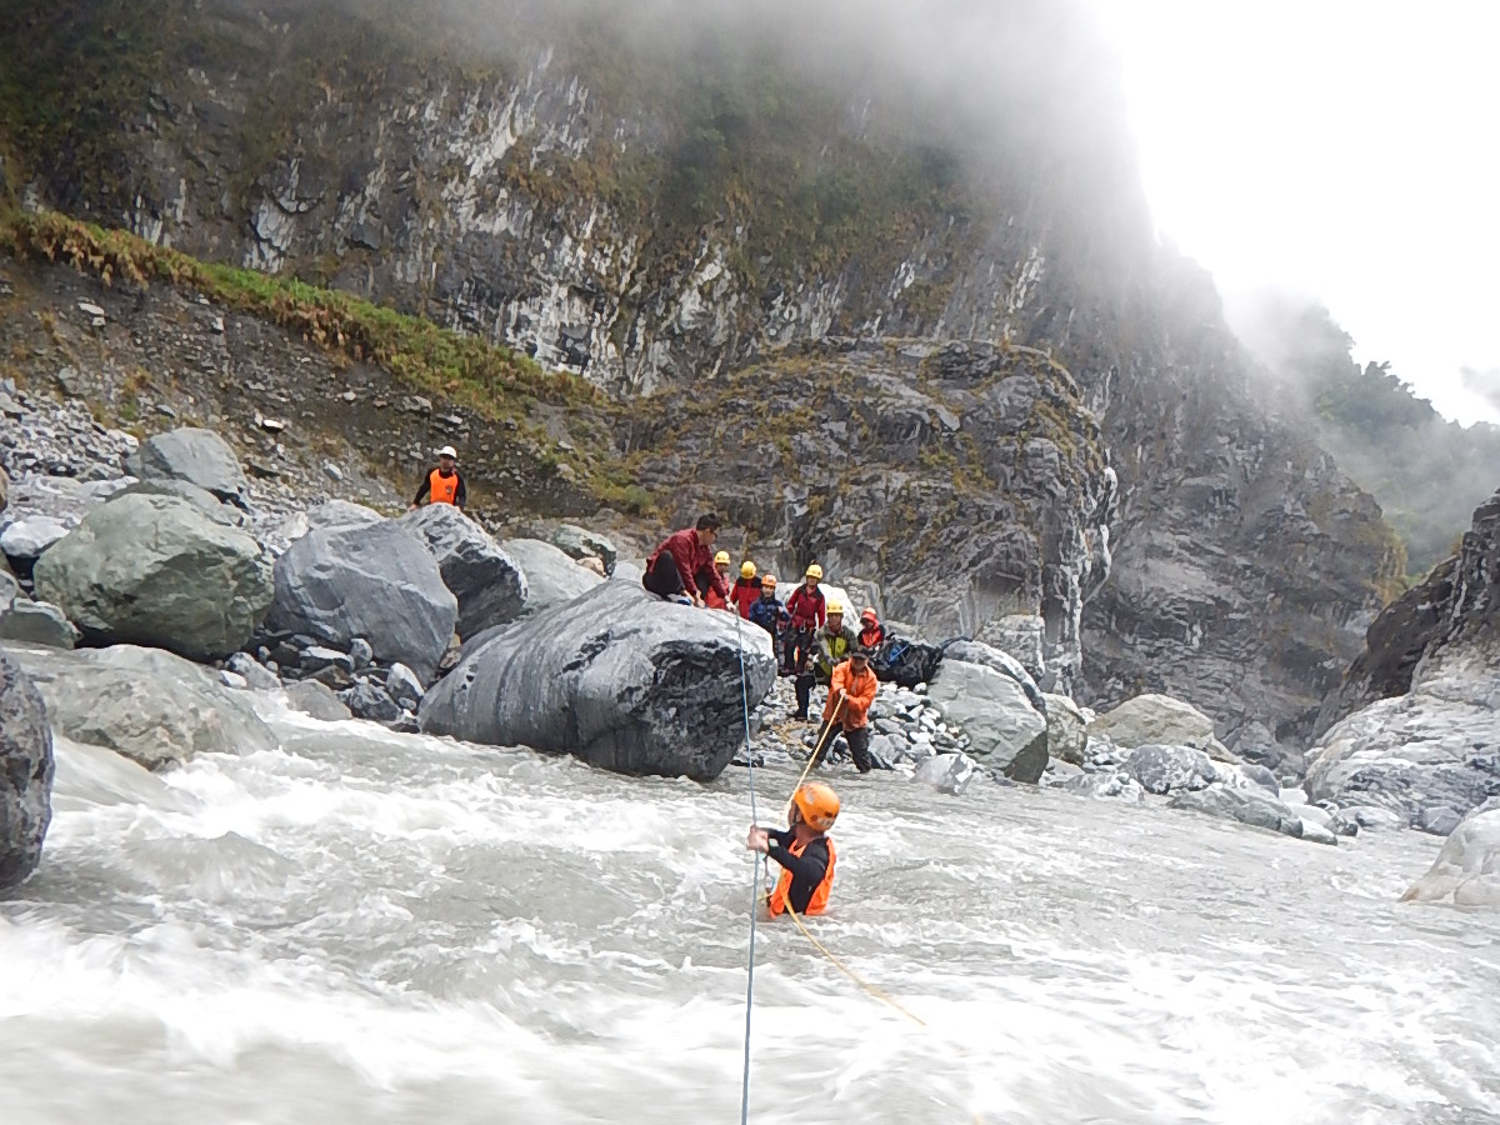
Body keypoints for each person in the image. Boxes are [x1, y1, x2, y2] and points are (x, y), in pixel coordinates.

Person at [745, 782, 839, 918]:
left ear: (799, 816)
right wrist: (764, 833)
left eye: (793, 806)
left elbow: (808, 871)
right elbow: (783, 838)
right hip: (781, 918)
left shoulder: (819, 853)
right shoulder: (800, 839)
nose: (789, 810)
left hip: (795, 924)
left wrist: (770, 849)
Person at [642, 513, 730, 608]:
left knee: (706, 572)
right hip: (658, 580)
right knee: (666, 557)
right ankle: (680, 594)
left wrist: (726, 598)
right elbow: (684, 568)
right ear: (708, 531)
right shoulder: (682, 539)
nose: (715, 539)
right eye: (715, 535)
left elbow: (712, 573)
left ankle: (695, 599)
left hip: (682, 585)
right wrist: (693, 593)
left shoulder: (705, 549)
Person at [818, 646, 880, 772]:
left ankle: (865, 779)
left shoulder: (871, 679)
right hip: (834, 715)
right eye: (855, 658)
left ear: (867, 660)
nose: (857, 661)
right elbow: (836, 682)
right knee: (819, 750)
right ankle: (811, 773)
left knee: (862, 759)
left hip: (855, 720)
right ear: (851, 657)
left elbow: (865, 702)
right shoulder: (841, 668)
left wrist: (849, 700)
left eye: (861, 659)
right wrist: (840, 691)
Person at [793, 599, 857, 720]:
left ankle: (845, 715)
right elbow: (815, 648)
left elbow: (855, 652)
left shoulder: (849, 634)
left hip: (842, 671)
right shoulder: (821, 633)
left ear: (841, 617)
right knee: (801, 682)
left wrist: (843, 659)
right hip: (823, 668)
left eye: (837, 615)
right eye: (832, 615)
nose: (834, 618)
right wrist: (810, 660)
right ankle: (802, 712)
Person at [782, 564, 826, 677]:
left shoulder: (819, 596)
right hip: (796, 621)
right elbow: (791, 602)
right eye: (810, 577)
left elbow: (821, 613)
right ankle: (788, 667)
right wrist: (788, 614)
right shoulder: (800, 590)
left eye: (814, 578)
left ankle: (800, 669)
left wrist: (821, 628)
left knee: (804, 648)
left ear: (818, 580)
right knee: (789, 644)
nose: (812, 580)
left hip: (809, 625)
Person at [409, 445, 466, 510]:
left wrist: (459, 506)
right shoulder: (432, 473)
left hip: (449, 511)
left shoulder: (457, 477)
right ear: (440, 458)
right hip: (433, 509)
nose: (446, 460)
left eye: (450, 458)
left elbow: (462, 496)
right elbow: (423, 489)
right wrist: (415, 503)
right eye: (444, 457)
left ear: (453, 461)